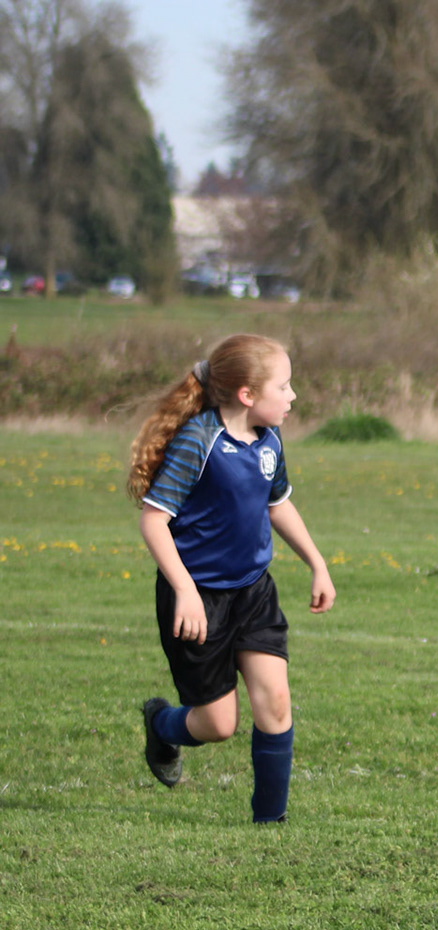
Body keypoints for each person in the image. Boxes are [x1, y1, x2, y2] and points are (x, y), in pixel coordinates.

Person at [125, 334, 336, 822]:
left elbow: (277, 503)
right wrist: (184, 591)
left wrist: (317, 563)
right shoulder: (198, 441)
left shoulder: (269, 439)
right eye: (283, 386)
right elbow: (154, 521)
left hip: (254, 592)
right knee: (219, 725)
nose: (292, 396)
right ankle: (161, 725)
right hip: (198, 600)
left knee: (275, 701)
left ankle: (270, 823)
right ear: (247, 394)